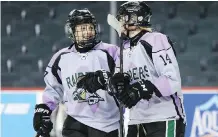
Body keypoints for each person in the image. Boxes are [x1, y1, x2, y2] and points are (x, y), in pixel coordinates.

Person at [33, 8, 120, 137]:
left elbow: (123, 79)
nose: (88, 32)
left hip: (107, 123)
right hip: (75, 123)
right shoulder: (61, 57)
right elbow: (53, 88)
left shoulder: (111, 52)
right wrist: (44, 109)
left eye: (90, 27)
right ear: (72, 31)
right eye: (83, 28)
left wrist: (106, 80)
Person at [108, 1, 186, 137]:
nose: (120, 22)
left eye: (123, 18)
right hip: (135, 120)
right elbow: (122, 91)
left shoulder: (156, 40)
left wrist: (142, 87)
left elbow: (172, 80)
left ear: (135, 19)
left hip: (164, 117)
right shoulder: (123, 49)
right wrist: (117, 85)